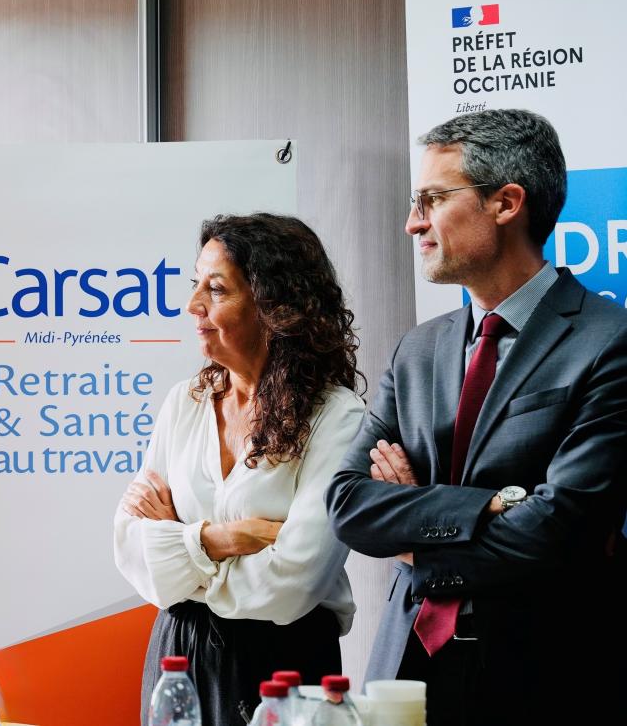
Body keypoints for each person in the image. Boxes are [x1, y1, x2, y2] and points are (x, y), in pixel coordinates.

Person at [325, 109, 627, 725]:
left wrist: (415, 543)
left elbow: (557, 529)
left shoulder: (608, 341)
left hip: (547, 676)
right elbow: (348, 505)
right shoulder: (418, 349)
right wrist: (488, 505)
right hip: (406, 669)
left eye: (433, 199)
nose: (413, 222)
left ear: (506, 203)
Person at [114, 213, 365, 725]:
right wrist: (222, 540)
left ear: (275, 306)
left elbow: (293, 585)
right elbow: (132, 549)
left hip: (283, 662)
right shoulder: (184, 401)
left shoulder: (337, 417)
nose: (193, 305)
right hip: (176, 657)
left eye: (216, 289)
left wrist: (180, 550)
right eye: (195, 285)